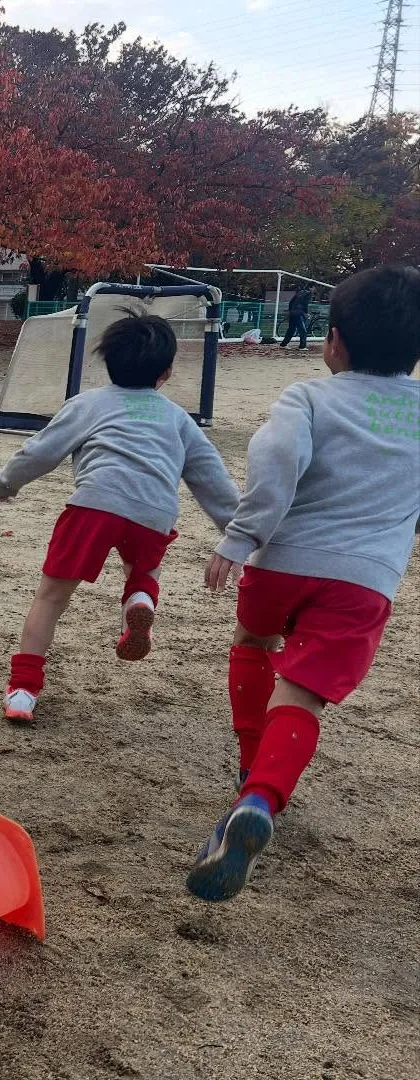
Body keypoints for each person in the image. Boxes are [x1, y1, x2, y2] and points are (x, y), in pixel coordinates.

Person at [185, 264, 420, 903]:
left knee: (255, 639)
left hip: (282, 562)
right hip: (364, 580)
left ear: (334, 340)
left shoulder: (308, 398)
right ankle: (260, 798)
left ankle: (248, 761)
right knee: (304, 691)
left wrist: (240, 537)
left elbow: (277, 461)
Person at [0, 314, 239, 723]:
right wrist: (237, 531)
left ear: (106, 362)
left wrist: (7, 483)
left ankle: (23, 691)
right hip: (154, 510)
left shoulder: (88, 404)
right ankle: (140, 598)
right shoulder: (178, 419)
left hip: (94, 504)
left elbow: (41, 451)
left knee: (51, 598)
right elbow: (211, 479)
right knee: (145, 566)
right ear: (166, 372)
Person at [279, 284, 313, 349]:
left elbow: (291, 302)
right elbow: (305, 304)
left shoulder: (299, 292)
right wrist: (306, 313)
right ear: (312, 288)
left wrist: (290, 310)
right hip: (299, 313)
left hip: (292, 313)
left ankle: (284, 344)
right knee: (302, 330)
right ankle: (302, 346)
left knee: (291, 329)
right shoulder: (309, 293)